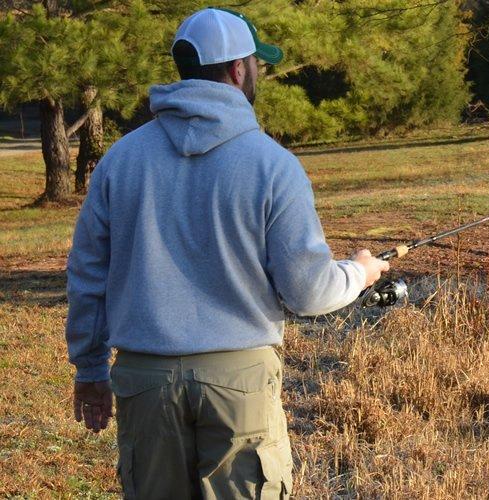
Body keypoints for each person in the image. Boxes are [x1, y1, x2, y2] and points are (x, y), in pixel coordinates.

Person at [65, 7, 389, 498]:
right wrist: (359, 273)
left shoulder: (120, 161)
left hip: (144, 381)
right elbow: (307, 291)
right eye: (258, 63)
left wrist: (90, 370)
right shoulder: (272, 165)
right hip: (240, 382)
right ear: (239, 69)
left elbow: (88, 274)